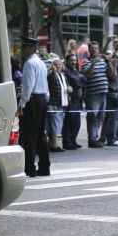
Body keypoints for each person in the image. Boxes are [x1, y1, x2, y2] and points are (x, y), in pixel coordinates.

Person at [17, 37, 50, 177]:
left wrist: (21, 104)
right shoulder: (41, 63)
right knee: (40, 134)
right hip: (42, 99)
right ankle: (44, 166)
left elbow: (28, 86)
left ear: (30, 48)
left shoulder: (29, 64)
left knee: (28, 135)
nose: (22, 50)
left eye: (24, 47)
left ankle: (30, 167)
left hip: (33, 100)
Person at [82, 42, 108, 148]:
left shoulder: (102, 61)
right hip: (93, 94)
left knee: (101, 117)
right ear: (89, 50)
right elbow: (87, 74)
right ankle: (92, 139)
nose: (94, 50)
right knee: (93, 117)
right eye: (92, 48)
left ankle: (94, 136)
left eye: (96, 48)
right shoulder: (85, 62)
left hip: (103, 93)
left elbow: (108, 73)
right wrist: (93, 63)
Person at [62, 52, 86, 150]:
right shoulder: (66, 71)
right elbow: (76, 81)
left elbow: (84, 79)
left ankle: (73, 140)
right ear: (67, 61)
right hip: (71, 100)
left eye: (74, 60)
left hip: (78, 100)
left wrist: (79, 79)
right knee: (69, 122)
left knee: (76, 123)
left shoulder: (75, 70)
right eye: (71, 60)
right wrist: (80, 79)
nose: (73, 62)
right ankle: (67, 142)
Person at [46, 55, 69, 153]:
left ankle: (52, 144)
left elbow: (66, 86)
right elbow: (50, 77)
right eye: (57, 64)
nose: (59, 66)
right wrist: (53, 69)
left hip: (61, 103)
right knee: (54, 124)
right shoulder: (51, 74)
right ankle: (54, 145)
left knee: (56, 123)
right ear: (53, 65)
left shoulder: (62, 75)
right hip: (53, 103)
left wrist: (69, 89)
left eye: (60, 64)